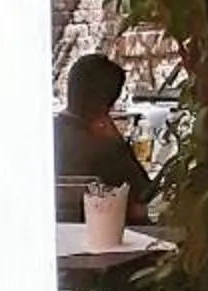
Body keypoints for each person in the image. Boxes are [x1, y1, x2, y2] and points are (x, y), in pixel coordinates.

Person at [55, 53, 157, 219]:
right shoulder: (105, 149)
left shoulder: (42, 137)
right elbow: (147, 196)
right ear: (108, 104)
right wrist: (119, 144)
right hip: (103, 231)